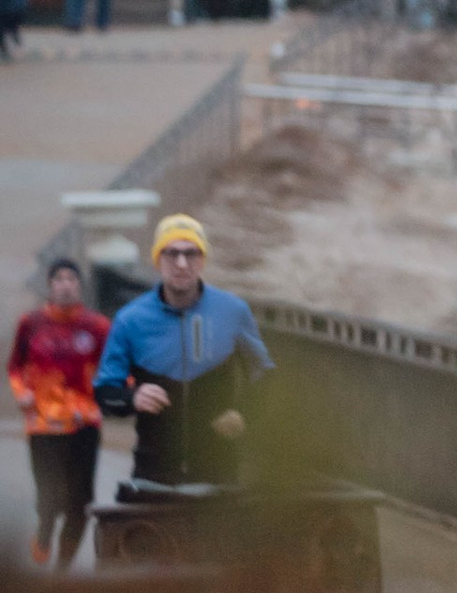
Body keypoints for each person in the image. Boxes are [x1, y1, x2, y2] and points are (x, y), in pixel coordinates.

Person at [92, 214, 273, 486]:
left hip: (218, 471)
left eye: (191, 254)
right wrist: (132, 398)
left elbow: (266, 375)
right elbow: (105, 393)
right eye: (171, 254)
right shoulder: (131, 319)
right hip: (154, 472)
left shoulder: (233, 311)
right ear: (157, 260)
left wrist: (244, 412)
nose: (181, 264)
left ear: (202, 260)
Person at [10, 254, 109, 564]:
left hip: (84, 422)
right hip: (43, 423)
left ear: (80, 286)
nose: (66, 286)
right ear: (50, 286)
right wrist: (22, 393)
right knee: (50, 498)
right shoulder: (32, 323)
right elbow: (15, 366)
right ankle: (44, 531)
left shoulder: (97, 327)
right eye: (59, 280)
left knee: (80, 504)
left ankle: (62, 571)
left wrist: (117, 394)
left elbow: (114, 368)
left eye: (72, 280)